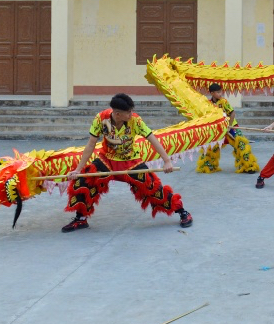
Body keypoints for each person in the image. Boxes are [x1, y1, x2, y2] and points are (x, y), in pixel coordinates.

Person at [62, 93, 192, 232]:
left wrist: (167, 161)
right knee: (84, 180)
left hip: (131, 162)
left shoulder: (135, 120)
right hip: (107, 160)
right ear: (117, 114)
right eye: (128, 112)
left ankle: (182, 211)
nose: (131, 114)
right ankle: (81, 219)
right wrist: (78, 170)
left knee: (152, 187)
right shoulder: (101, 118)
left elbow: (152, 138)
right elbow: (91, 144)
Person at [197, 83, 258, 173]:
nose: (220, 94)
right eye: (218, 92)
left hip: (231, 126)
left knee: (241, 144)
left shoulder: (224, 102)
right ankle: (208, 166)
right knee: (210, 146)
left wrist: (229, 126)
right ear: (212, 93)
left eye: (220, 92)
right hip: (217, 129)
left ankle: (248, 166)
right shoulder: (208, 104)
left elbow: (232, 113)